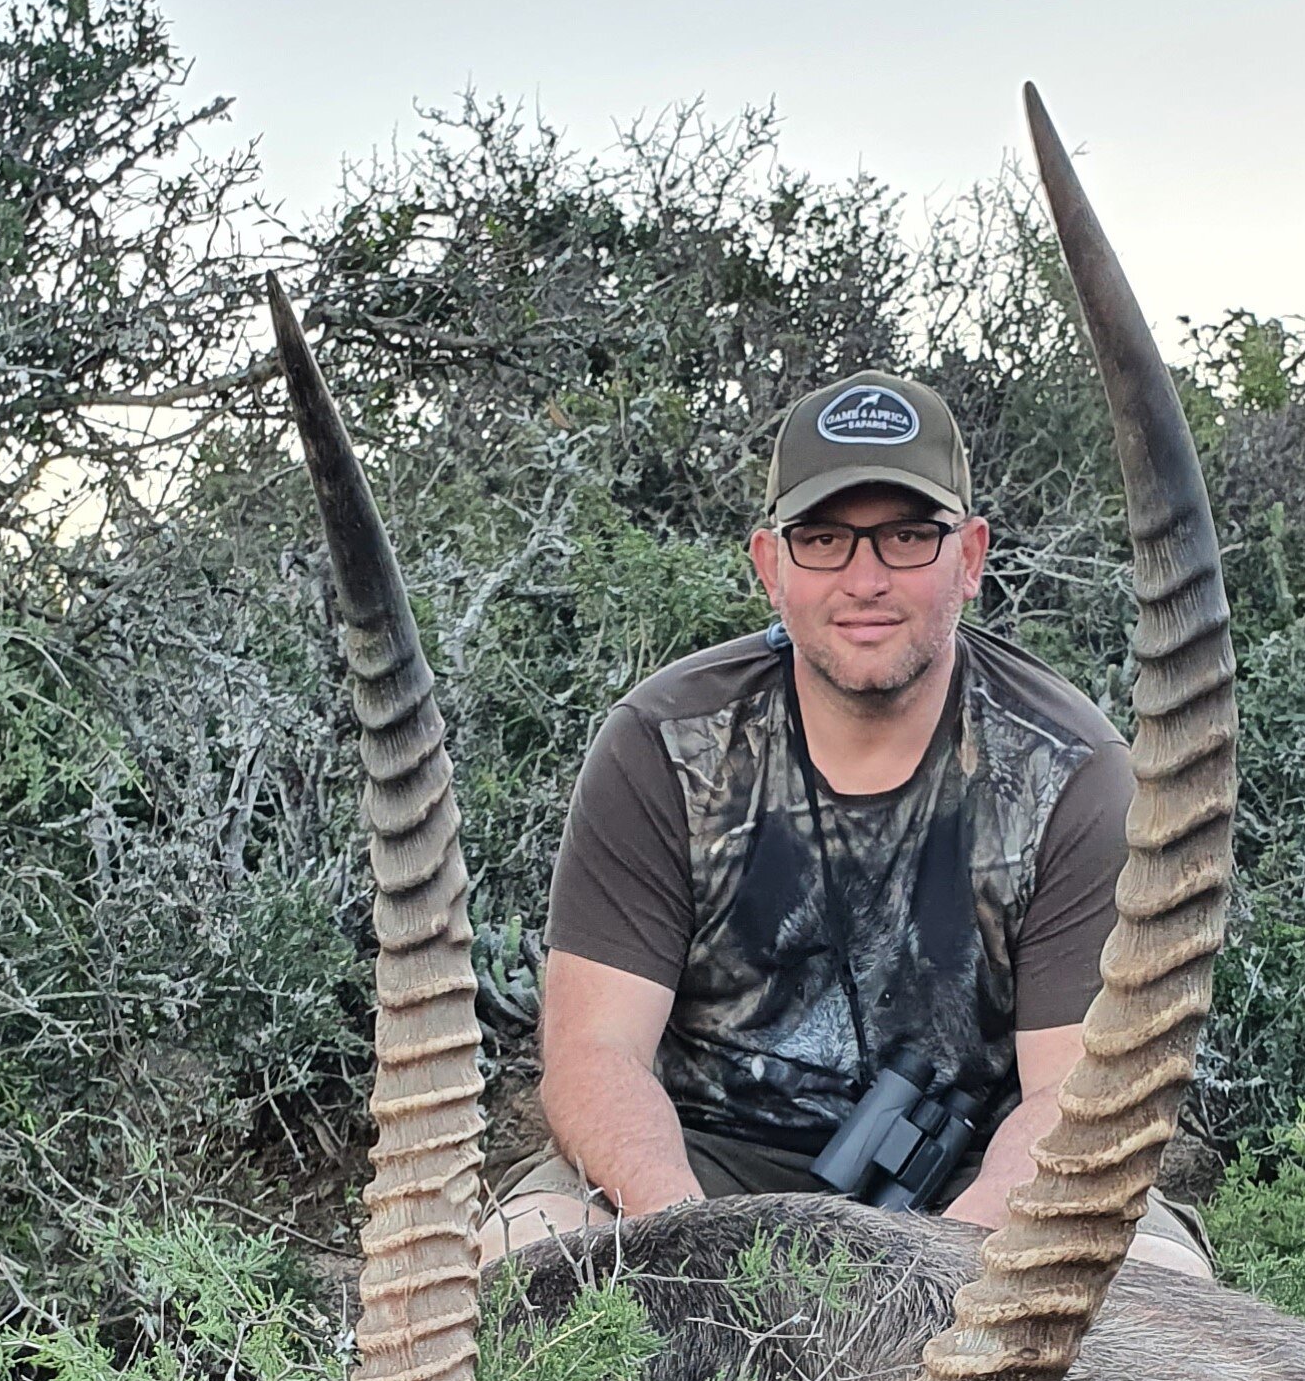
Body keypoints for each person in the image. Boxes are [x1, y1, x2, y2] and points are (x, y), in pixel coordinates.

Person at [487, 369, 1208, 1273]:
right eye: (823, 539)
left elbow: (1072, 1094)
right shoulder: (661, 745)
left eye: (909, 537)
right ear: (769, 566)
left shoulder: (1073, 773)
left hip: (976, 1186)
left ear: (972, 556)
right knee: (520, 1252)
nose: (865, 579)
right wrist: (700, 1251)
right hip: (704, 1169)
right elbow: (594, 1057)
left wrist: (935, 1270)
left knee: (1159, 1274)